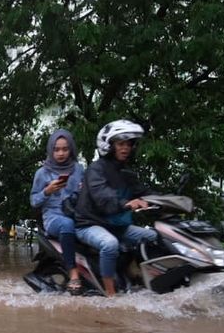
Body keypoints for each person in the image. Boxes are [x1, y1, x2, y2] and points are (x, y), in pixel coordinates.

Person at [74, 119, 159, 297]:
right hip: (89, 224)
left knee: (153, 237)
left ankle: (137, 277)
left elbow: (147, 193)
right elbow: (103, 196)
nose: (125, 148)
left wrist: (175, 201)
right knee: (109, 244)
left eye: (129, 144)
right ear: (109, 145)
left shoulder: (126, 173)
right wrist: (127, 204)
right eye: (121, 144)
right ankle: (110, 294)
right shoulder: (95, 170)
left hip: (116, 226)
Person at [30, 129, 86, 294]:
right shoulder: (42, 173)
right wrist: (47, 191)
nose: (61, 153)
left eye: (65, 149)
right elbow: (33, 201)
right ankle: (73, 272)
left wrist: (83, 190)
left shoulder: (78, 169)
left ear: (71, 150)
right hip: (53, 218)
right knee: (66, 224)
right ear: (50, 150)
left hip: (76, 213)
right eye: (56, 149)